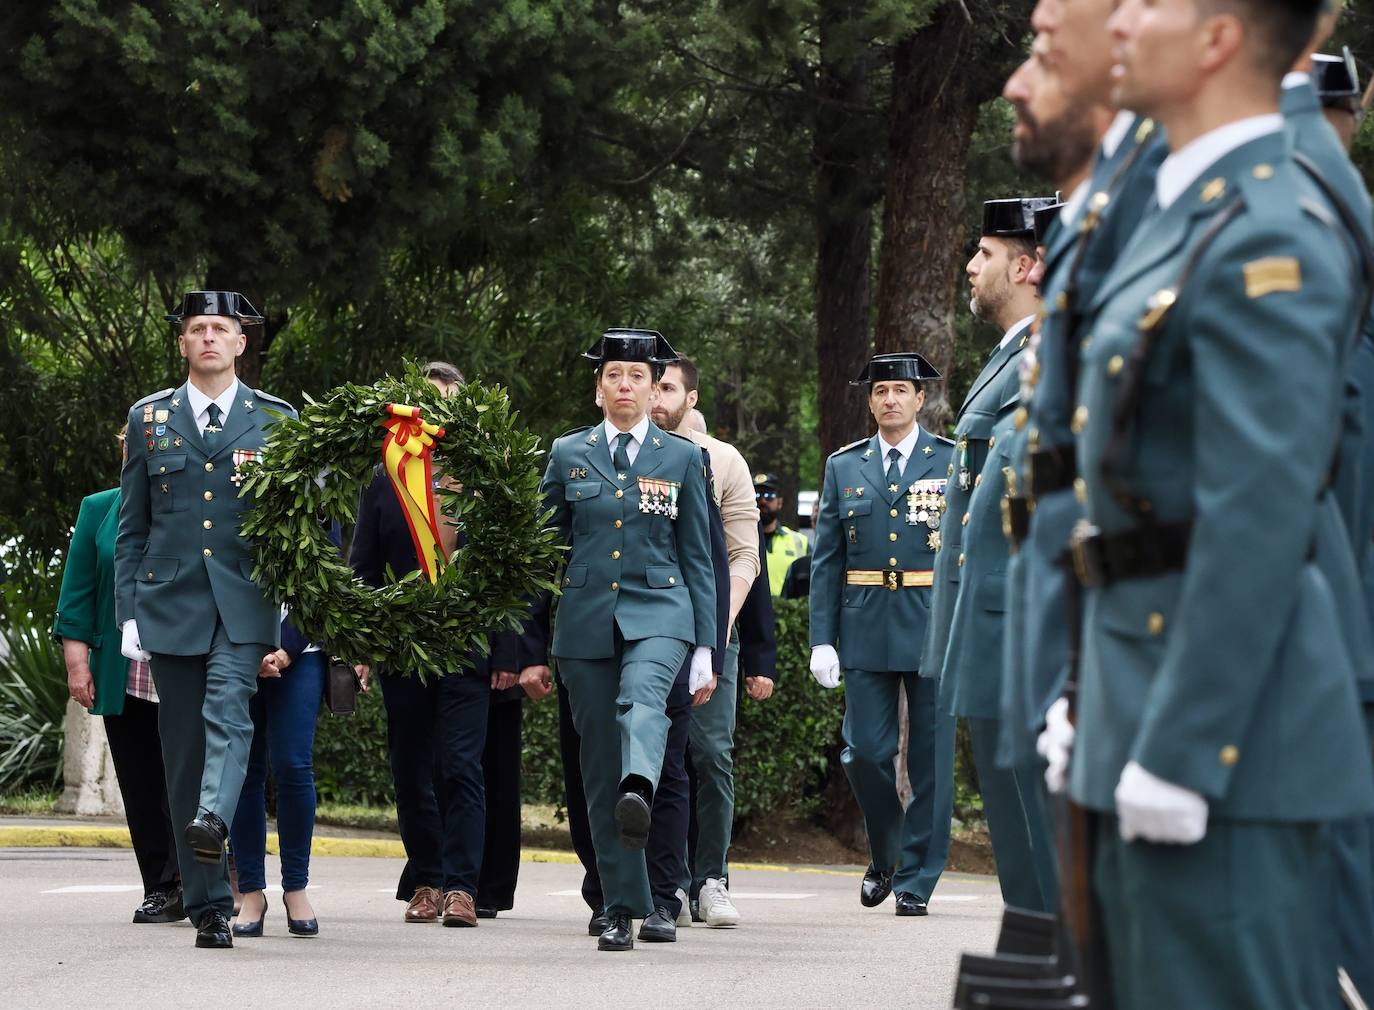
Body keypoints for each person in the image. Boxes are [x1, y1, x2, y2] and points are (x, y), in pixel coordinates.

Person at [1042, 0, 1374, 1005]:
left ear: (1222, 39)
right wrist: (1083, 689)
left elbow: (1259, 515)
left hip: (1225, 740)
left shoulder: (1272, 226)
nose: (1124, 18)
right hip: (1137, 689)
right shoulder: (1192, 208)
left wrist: (1185, 748)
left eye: (1153, 2)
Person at [1000, 0, 1168, 776]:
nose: (1014, 84)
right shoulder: (1102, 213)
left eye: (1046, 53)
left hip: (1141, 652)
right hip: (1077, 626)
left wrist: (1180, 725)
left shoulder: (1166, 209)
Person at [114, 290, 297, 949]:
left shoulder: (277, 419)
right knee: (183, 750)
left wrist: (287, 598)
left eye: (222, 328)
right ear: (184, 344)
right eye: (199, 329)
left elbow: (292, 524)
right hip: (169, 602)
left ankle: (214, 819)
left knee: (229, 712)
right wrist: (127, 612)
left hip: (246, 601)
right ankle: (209, 905)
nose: (211, 338)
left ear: (242, 343)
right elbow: (132, 526)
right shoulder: (149, 418)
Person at [526, 327, 717, 951]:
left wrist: (706, 648)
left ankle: (643, 783)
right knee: (596, 768)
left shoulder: (684, 457)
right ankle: (619, 906)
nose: (626, 385)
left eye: (638, 376)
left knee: (642, 701)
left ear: (655, 387)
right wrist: (528, 645)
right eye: (614, 375)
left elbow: (699, 559)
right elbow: (540, 553)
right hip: (584, 623)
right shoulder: (566, 454)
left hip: (663, 613)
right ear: (598, 387)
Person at [921, 196, 1057, 914]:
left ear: (1028, 264)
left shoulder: (1047, 357)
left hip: (1017, 624)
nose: (971, 267)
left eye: (985, 253)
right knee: (1017, 826)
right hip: (987, 618)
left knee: (1038, 829)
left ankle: (1058, 965)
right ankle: (1043, 962)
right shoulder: (1012, 359)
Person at [350, 360, 518, 929]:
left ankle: (462, 887)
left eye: (449, 398)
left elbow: (513, 573)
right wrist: (362, 644)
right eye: (429, 399)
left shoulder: (491, 475)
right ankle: (425, 878)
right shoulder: (386, 475)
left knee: (462, 766)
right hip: (402, 644)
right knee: (410, 766)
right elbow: (363, 567)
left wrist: (509, 652)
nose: (439, 407)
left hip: (468, 644)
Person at [809, 352, 955, 917]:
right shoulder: (845, 466)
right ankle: (889, 852)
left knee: (930, 761)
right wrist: (823, 637)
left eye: (901, 390)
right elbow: (827, 558)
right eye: (880, 391)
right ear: (869, 401)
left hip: (931, 620)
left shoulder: (948, 460)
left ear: (921, 400)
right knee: (865, 752)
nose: (890, 399)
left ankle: (917, 878)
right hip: (866, 620)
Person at [652, 354, 768, 927]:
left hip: (710, 633)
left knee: (710, 754)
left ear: (690, 399)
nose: (656, 396)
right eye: (653, 384)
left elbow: (745, 556)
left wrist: (714, 635)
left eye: (668, 387)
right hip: (645, 633)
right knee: (655, 755)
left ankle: (712, 877)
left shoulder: (722, 461)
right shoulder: (618, 458)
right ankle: (663, 884)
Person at [54, 424, 183, 925]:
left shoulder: (192, 509)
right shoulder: (98, 508)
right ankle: (161, 886)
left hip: (184, 665)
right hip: (122, 670)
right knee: (141, 781)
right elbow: (77, 595)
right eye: (137, 444)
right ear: (125, 450)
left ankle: (208, 880)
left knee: (188, 776)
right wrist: (77, 663)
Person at [228, 545, 337, 938]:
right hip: (237, 643)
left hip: (302, 648)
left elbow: (327, 570)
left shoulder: (317, 484)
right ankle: (252, 890)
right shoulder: (226, 483)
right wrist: (252, 647)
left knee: (293, 765)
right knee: (243, 768)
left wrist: (285, 650)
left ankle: (296, 887)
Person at [756, 472, 809, 596]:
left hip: (788, 613)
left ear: (779, 502)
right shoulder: (739, 540)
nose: (763, 501)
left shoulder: (799, 541)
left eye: (769, 496)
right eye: (757, 496)